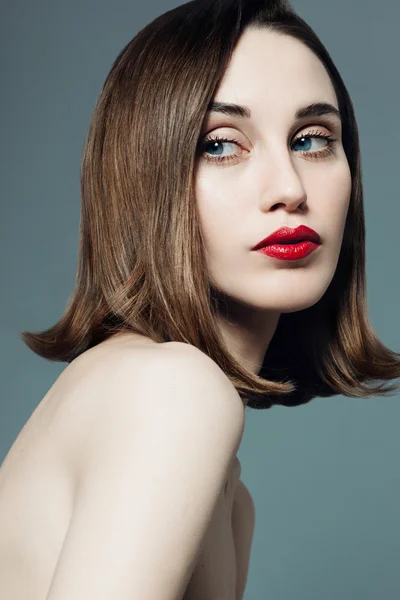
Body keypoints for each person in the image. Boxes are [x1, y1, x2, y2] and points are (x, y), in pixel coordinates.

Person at [1, 0, 400, 598]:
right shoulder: (172, 391)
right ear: (146, 180)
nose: (289, 188)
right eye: (220, 145)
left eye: (313, 139)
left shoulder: (233, 499)